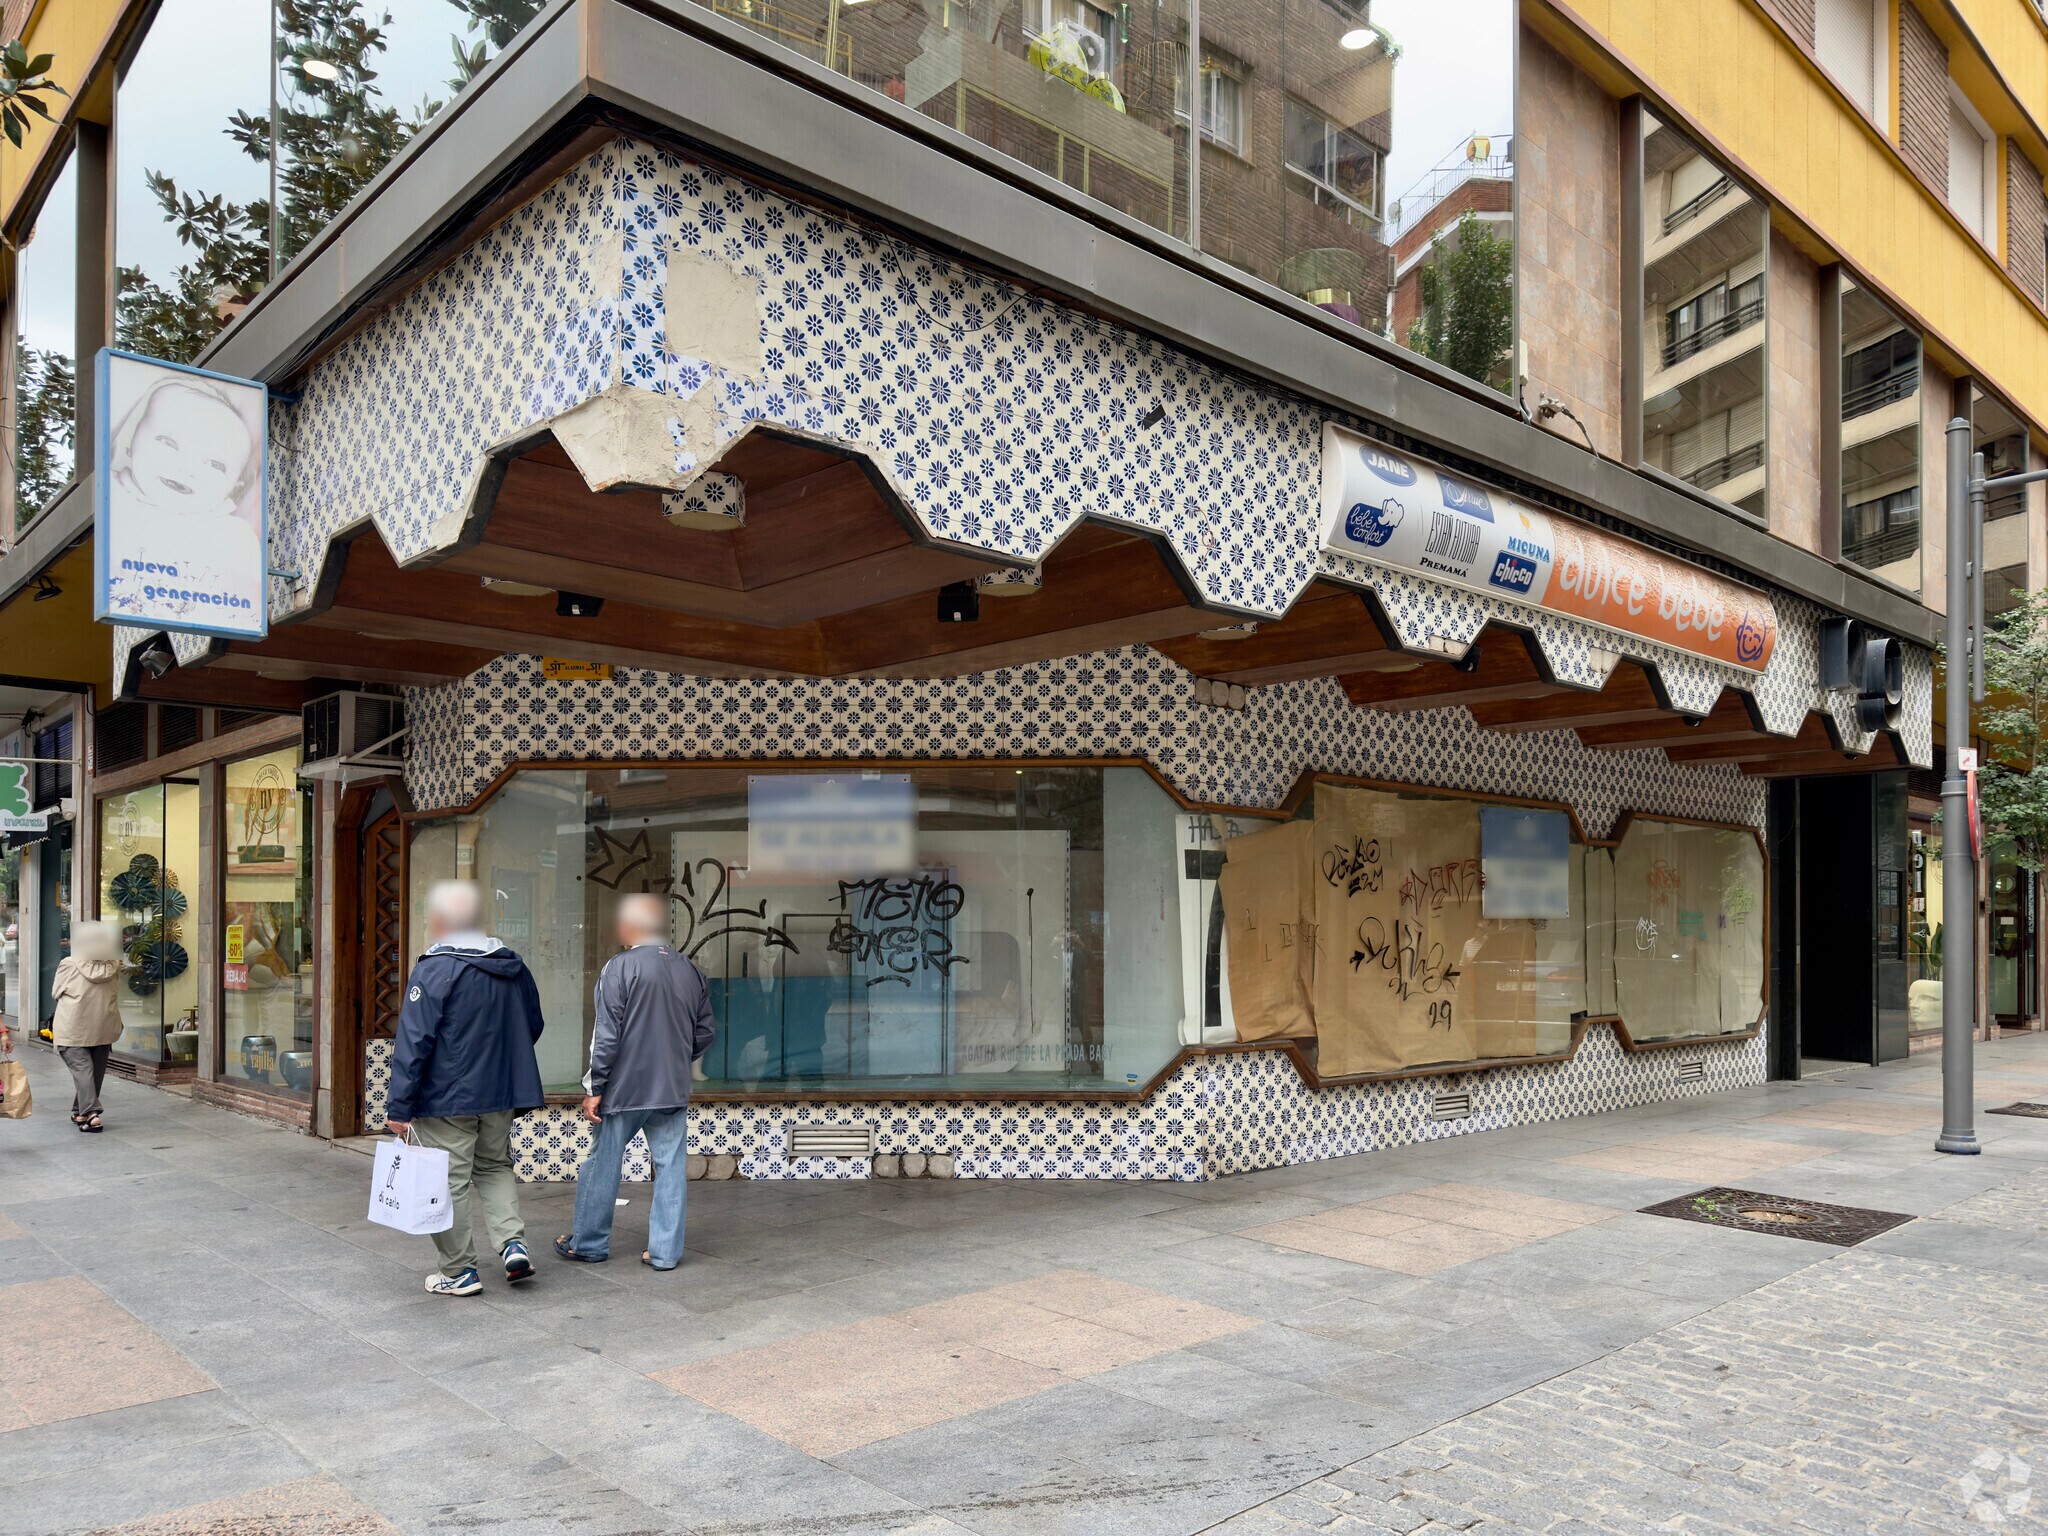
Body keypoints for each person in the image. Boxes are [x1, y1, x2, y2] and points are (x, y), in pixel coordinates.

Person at [386, 881, 546, 1296]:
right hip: (502, 1091)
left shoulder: (435, 969)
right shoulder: (513, 967)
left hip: (447, 1097)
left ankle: (459, 1271)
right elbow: (534, 1024)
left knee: (447, 1182)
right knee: (494, 1166)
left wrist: (399, 1106)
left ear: (440, 921)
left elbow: (414, 1043)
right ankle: (513, 1244)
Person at [555, 894, 715, 1271]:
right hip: (672, 1088)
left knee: (602, 1163)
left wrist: (595, 1087)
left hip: (624, 1089)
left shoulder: (619, 968)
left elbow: (606, 1034)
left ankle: (589, 1244)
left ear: (631, 927)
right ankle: (664, 1253)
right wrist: (675, 1061)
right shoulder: (690, 970)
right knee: (671, 1167)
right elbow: (705, 1032)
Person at [102, 374, 262, 631]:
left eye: (214, 464)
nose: (187, 468)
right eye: (169, 443)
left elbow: (250, 601)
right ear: (130, 440)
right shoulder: (110, 497)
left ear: (234, 487)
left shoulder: (234, 535)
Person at [51, 922, 122, 1133]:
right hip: (104, 1026)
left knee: (83, 1071)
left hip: (74, 1027)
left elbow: (56, 992)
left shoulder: (68, 964)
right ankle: (80, 1111)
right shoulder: (114, 964)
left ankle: (90, 1113)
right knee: (94, 1073)